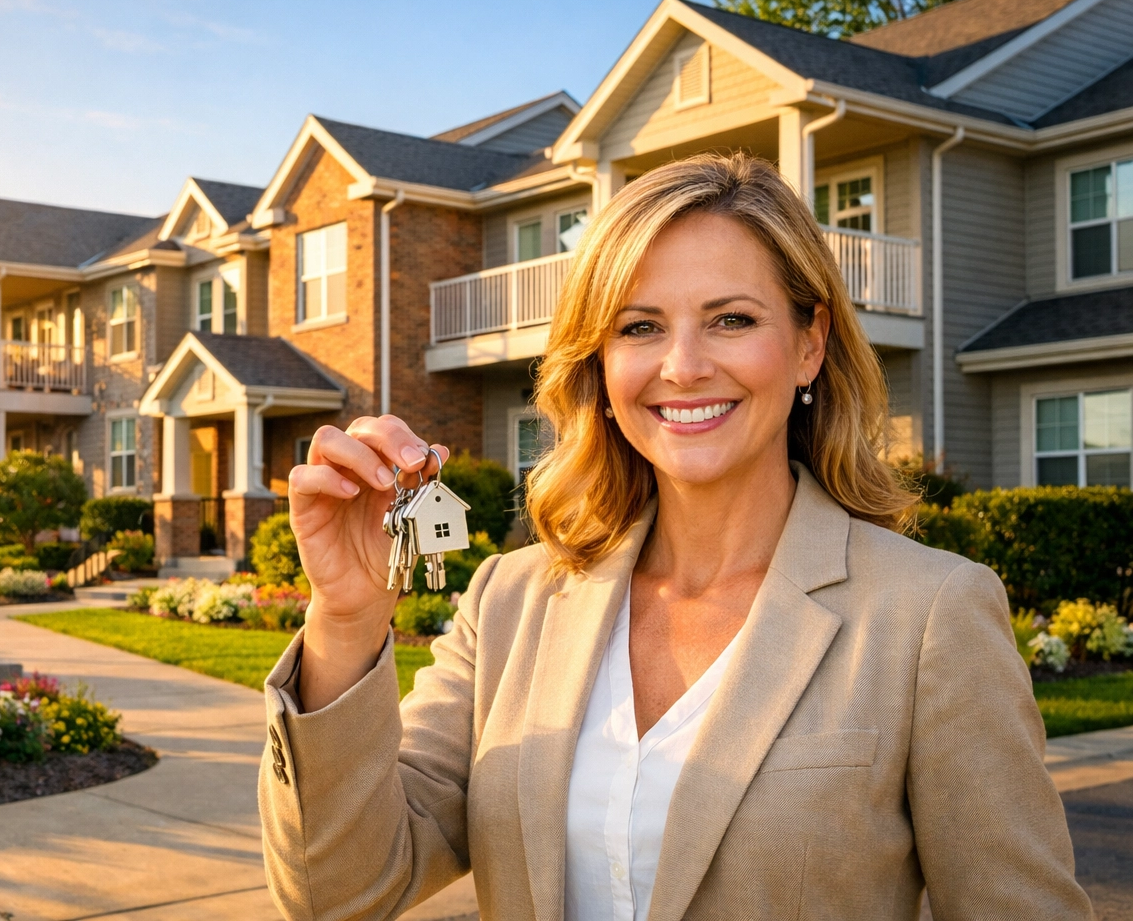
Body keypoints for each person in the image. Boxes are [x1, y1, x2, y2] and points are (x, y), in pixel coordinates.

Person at [258, 153, 1091, 921]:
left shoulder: (928, 615)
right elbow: (338, 891)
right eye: (639, 326)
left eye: (730, 319)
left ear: (810, 343)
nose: (683, 365)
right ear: (601, 363)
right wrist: (346, 617)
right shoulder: (512, 601)